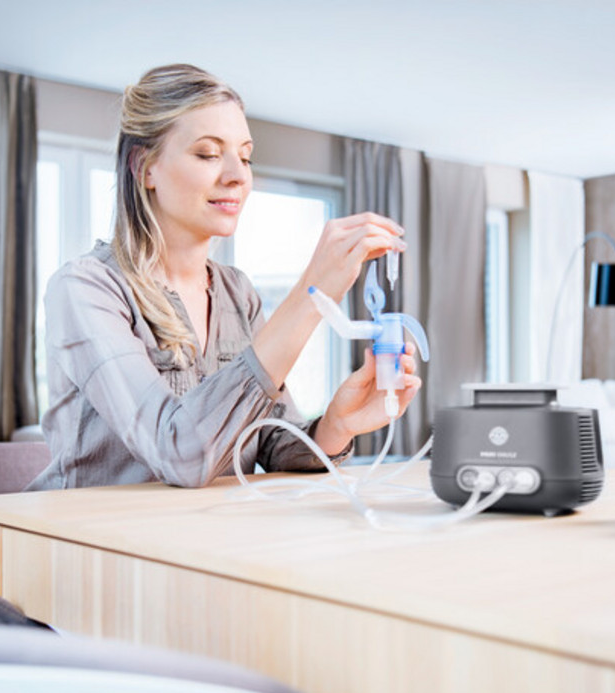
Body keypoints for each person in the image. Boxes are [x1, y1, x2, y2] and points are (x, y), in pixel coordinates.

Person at [27, 64, 420, 490]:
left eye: (245, 157)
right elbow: (179, 454)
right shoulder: (85, 289)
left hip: (205, 527)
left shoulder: (237, 294)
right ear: (145, 167)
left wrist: (337, 424)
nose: (238, 175)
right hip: (88, 530)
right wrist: (313, 292)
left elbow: (271, 441)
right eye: (208, 154)